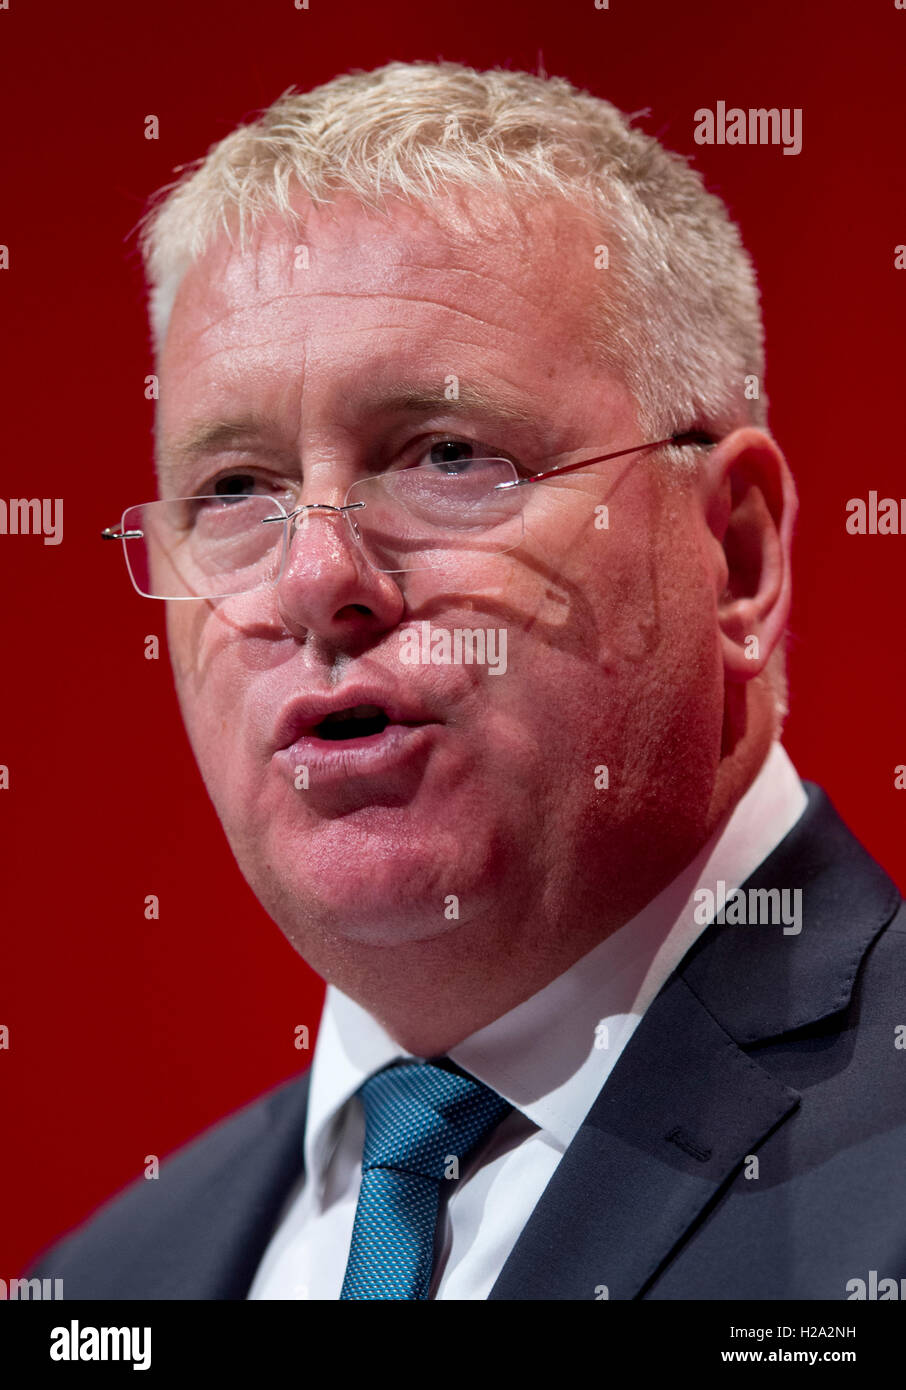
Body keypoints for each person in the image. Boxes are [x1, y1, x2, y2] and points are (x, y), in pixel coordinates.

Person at [28, 60, 905, 1301]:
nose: (317, 577)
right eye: (234, 490)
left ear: (739, 559)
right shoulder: (110, 1284)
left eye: (448, 455)